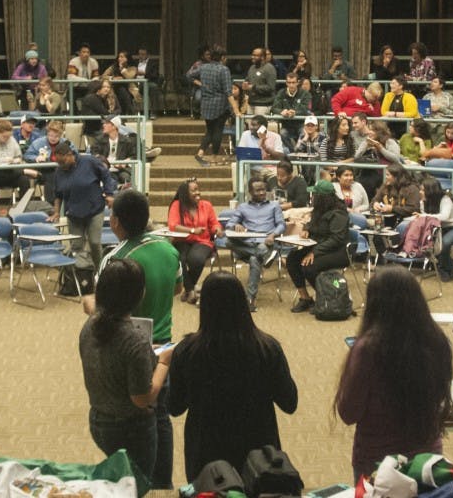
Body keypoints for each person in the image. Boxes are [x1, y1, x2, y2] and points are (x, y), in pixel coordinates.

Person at [87, 190, 182, 490]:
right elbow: (178, 290)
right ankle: (162, 484)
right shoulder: (169, 250)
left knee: (126, 420)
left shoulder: (115, 260)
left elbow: (104, 308)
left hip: (126, 349)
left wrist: (88, 304)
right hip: (163, 345)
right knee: (161, 418)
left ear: (115, 222)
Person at [170, 271, 297, 481]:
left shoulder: (187, 351)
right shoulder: (267, 348)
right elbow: (290, 403)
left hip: (206, 456)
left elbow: (174, 407)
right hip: (259, 456)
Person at [334, 267, 452, 481]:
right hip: (427, 460)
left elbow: (348, 413)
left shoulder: (368, 349)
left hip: (379, 464)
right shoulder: (437, 340)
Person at [79, 258, 173, 484]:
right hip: (132, 429)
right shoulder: (134, 340)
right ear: (139, 295)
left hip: (99, 420)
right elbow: (143, 398)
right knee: (138, 486)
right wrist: (164, 363)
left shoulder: (91, 326)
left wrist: (147, 352)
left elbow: (115, 354)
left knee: (119, 482)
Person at [49, 142, 117, 288]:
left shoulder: (89, 161)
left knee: (94, 242)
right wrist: (56, 212)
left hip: (94, 210)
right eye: (59, 163)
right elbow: (58, 195)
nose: (62, 165)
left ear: (70, 155)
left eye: (63, 161)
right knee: (77, 246)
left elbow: (105, 175)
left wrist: (109, 194)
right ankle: (81, 279)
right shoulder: (59, 172)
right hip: (73, 214)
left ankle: (101, 273)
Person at [287, 179, 351, 313]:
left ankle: (329, 298)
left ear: (322, 197)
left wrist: (314, 252)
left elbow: (336, 239)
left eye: (315, 194)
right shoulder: (320, 209)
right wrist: (307, 229)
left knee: (308, 266)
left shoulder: (339, 213)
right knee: (292, 258)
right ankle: (305, 299)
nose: (313, 197)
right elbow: (312, 223)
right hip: (319, 247)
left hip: (337, 251)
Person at [225, 177, 286, 312]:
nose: (262, 193)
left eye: (263, 189)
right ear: (250, 192)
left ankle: (250, 299)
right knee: (228, 241)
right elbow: (229, 225)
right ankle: (265, 256)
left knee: (254, 259)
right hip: (248, 243)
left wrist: (273, 235)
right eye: (258, 190)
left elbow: (281, 225)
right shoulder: (243, 207)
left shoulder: (274, 206)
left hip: (266, 242)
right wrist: (236, 225)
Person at [168, 179, 222, 305]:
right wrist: (192, 230)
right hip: (182, 239)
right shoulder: (177, 205)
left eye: (198, 189)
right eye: (193, 190)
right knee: (179, 258)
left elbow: (214, 223)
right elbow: (173, 226)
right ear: (185, 193)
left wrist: (217, 229)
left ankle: (188, 289)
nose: (198, 192)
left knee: (196, 259)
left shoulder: (206, 205)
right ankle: (190, 290)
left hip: (202, 240)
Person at [420, 176, 453, 282]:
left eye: (423, 190)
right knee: (431, 242)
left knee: (444, 243)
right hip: (441, 228)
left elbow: (444, 216)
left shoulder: (446, 198)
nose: (420, 192)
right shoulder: (423, 201)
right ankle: (446, 267)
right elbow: (424, 215)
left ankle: (445, 267)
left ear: (431, 191)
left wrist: (425, 216)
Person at [193, 46, 233, 166]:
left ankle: (200, 153)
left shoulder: (203, 67)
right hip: (220, 104)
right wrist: (235, 109)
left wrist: (201, 84)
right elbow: (228, 91)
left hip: (206, 103)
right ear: (222, 57)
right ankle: (214, 157)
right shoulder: (223, 69)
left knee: (210, 130)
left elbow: (189, 75)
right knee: (217, 131)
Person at [270, 72, 311, 147]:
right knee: (282, 133)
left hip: (301, 124)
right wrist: (281, 112)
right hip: (286, 125)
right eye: (289, 82)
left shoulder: (305, 93)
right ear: (286, 83)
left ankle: (299, 151)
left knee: (304, 133)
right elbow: (274, 108)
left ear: (297, 83)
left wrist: (295, 112)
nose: (291, 85)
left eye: (293, 82)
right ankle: (292, 153)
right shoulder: (281, 93)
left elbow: (307, 109)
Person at [243, 47, 277, 114]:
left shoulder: (269, 68)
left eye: (255, 55)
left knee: (259, 124)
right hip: (251, 102)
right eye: (252, 55)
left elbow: (271, 87)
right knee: (249, 124)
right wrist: (245, 85)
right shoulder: (251, 68)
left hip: (263, 104)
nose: (252, 57)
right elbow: (247, 80)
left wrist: (253, 87)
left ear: (262, 57)